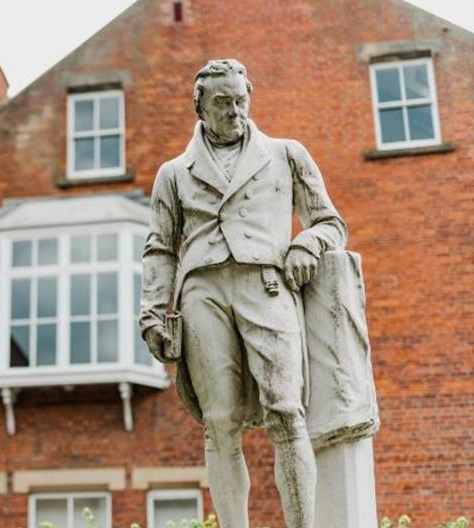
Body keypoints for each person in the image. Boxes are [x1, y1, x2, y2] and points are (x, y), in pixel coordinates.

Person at [140, 59, 346, 527]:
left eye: (241, 100)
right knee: (219, 422)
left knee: (287, 413)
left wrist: (306, 242)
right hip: (202, 295)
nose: (235, 111)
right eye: (222, 103)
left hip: (266, 285)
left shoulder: (286, 154)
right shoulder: (174, 172)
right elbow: (159, 249)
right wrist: (152, 312)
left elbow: (331, 223)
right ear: (200, 108)